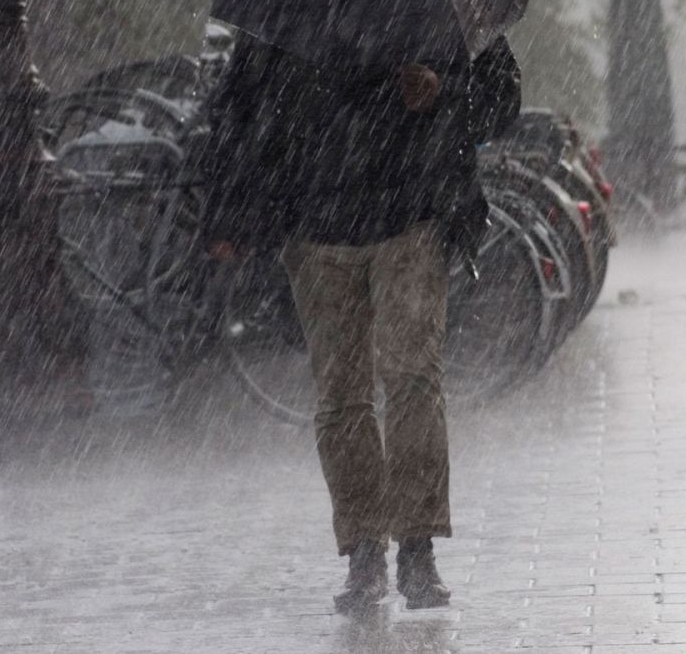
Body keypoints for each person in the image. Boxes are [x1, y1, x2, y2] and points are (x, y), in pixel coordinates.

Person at [202, 30, 521, 612]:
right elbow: (240, 109)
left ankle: (417, 550)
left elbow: (501, 101)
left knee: (413, 381)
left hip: (412, 216)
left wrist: (443, 92)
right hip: (315, 226)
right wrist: (228, 214)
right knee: (342, 395)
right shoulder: (287, 2)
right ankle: (365, 552)